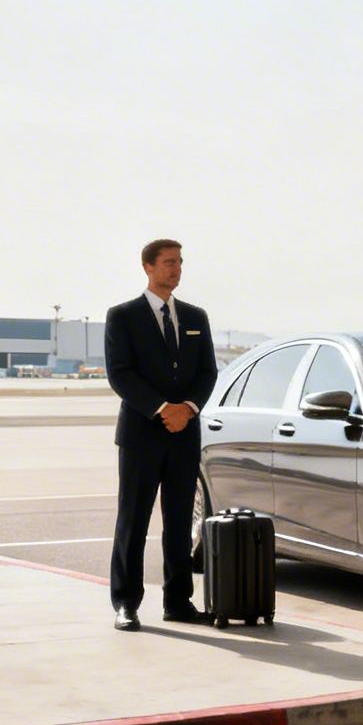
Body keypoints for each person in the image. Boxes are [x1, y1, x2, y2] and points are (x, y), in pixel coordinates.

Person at [105, 239, 217, 629]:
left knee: (180, 520)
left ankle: (178, 602)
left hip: (184, 434)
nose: (177, 269)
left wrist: (187, 409)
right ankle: (126, 603)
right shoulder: (122, 316)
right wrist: (161, 409)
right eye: (169, 262)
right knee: (132, 521)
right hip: (141, 434)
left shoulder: (195, 317)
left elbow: (208, 373)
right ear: (148, 268)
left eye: (180, 262)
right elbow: (120, 374)